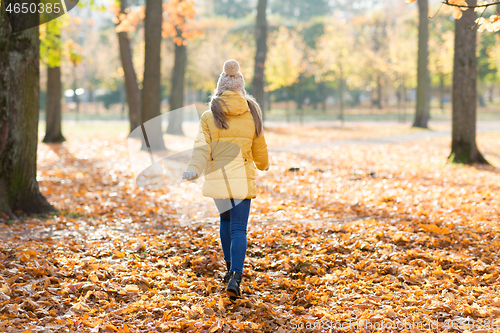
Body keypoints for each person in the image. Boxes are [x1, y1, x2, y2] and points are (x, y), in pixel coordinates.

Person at [182, 59, 269, 300]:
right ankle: (235, 276)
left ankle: (229, 267)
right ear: (241, 88)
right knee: (240, 228)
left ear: (219, 88)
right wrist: (263, 164)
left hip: (219, 178)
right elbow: (259, 145)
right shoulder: (253, 113)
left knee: (226, 222)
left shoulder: (209, 116)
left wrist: (193, 169)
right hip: (241, 177)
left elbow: (201, 149)